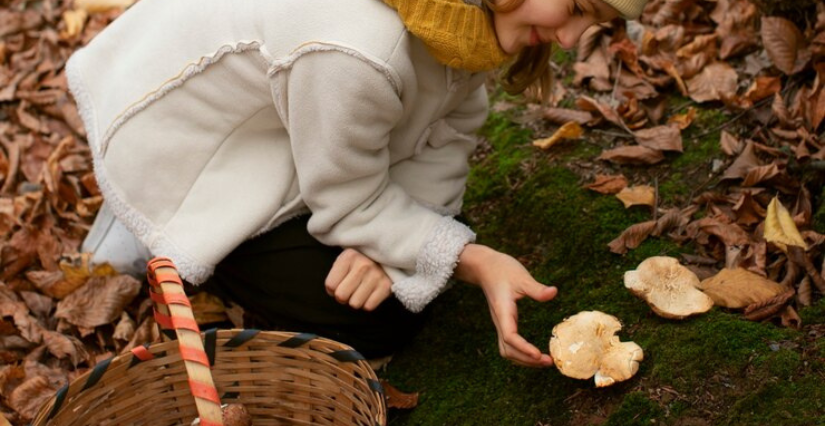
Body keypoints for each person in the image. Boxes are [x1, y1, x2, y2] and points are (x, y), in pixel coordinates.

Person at [68, 0, 648, 366]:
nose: (571, 40)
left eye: (590, 24)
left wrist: (396, 242)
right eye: (574, 7)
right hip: (184, 147)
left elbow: (449, 137)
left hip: (293, 129)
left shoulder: (461, 20)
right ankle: (145, 219)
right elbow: (349, 203)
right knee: (375, 318)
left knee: (412, 258)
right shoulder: (356, 45)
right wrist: (471, 258)